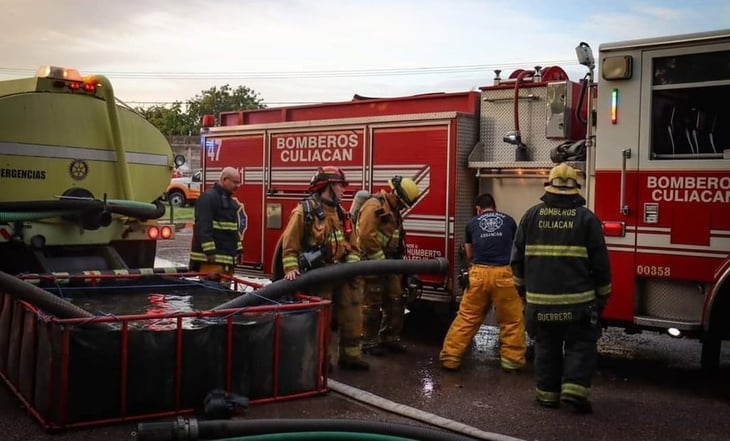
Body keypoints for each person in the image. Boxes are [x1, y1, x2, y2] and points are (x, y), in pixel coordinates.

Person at [511, 163, 611, 414]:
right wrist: (602, 295)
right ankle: (574, 393)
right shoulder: (586, 218)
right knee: (581, 344)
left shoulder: (531, 216)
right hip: (578, 304)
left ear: (550, 187)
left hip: (540, 304)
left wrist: (523, 291)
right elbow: (600, 263)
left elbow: (516, 259)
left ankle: (547, 395)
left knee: (546, 346)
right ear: (575, 189)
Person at [280, 166, 369, 371]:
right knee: (322, 321)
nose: (344, 190)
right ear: (328, 186)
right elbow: (290, 244)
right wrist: (291, 269)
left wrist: (351, 267)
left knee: (352, 314)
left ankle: (350, 356)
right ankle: (321, 362)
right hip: (320, 278)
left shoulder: (341, 212)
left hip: (343, 275)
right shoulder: (305, 211)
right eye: (340, 185)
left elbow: (353, 244)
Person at [439, 193, 526, 372]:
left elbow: (470, 254)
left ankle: (450, 359)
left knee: (467, 318)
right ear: (494, 207)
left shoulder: (472, 223)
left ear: (478, 209)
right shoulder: (509, 220)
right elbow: (516, 249)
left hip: (478, 274)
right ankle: (512, 362)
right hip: (504, 274)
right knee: (511, 320)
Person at [356, 175, 421, 356]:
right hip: (372, 263)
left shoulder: (393, 210)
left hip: (387, 263)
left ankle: (389, 339)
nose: (402, 207)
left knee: (396, 299)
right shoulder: (374, 207)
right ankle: (368, 343)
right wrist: (380, 260)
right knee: (372, 303)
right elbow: (367, 237)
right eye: (401, 203)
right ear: (395, 194)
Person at [189, 167, 244, 276]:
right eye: (235, 182)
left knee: (224, 291)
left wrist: (239, 251)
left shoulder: (229, 202)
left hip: (225, 260)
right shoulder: (208, 198)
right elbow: (203, 227)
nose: (238, 186)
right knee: (210, 292)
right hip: (211, 261)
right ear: (224, 180)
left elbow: (233, 231)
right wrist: (209, 252)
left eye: (239, 183)